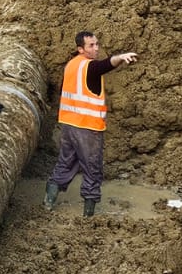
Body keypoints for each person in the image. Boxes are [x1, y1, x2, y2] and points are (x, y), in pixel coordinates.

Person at [44, 33, 138, 217]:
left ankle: (47, 203)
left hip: (68, 124)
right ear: (81, 49)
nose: (96, 48)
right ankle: (88, 216)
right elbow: (105, 65)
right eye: (91, 45)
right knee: (92, 169)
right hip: (88, 127)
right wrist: (121, 57)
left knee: (65, 163)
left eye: (97, 44)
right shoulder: (90, 67)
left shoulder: (71, 65)